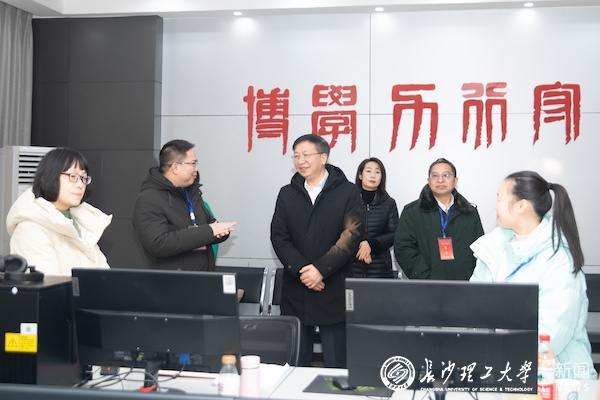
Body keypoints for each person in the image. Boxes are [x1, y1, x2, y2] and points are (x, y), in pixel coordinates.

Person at [470, 171, 597, 379]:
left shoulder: (558, 260)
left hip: (555, 379)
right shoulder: (492, 251)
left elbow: (550, 335)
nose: (496, 206)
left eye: (500, 199)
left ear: (521, 206)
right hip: (501, 371)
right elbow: (472, 310)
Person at [270, 134, 363, 368]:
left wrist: (320, 270)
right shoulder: (286, 193)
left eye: (306, 155)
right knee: (294, 362)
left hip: (332, 283)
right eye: (296, 156)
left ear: (323, 157)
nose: (300, 161)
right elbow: (279, 236)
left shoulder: (347, 192)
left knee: (336, 364)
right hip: (297, 285)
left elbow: (351, 235)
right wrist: (303, 269)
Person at [132, 139, 236, 271]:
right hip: (174, 281)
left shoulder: (192, 194)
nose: (196, 169)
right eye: (193, 164)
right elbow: (158, 243)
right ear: (175, 167)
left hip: (203, 277)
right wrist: (208, 232)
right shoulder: (149, 199)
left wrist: (220, 231)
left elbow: (209, 224)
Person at [6, 147, 111, 275]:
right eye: (72, 176)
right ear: (46, 177)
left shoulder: (83, 224)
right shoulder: (30, 229)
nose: (80, 184)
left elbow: (106, 276)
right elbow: (47, 283)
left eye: (83, 178)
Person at [394, 157, 484, 280]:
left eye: (446, 175)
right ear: (429, 181)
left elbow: (480, 249)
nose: (440, 180)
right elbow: (403, 248)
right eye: (435, 176)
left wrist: (471, 277)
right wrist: (425, 278)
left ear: (455, 181)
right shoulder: (412, 212)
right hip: (426, 286)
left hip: (464, 284)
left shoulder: (469, 212)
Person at [352, 157, 399, 278]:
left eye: (377, 172)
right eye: (368, 171)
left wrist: (371, 245)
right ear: (360, 175)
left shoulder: (388, 203)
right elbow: (339, 230)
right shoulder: (349, 201)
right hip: (352, 267)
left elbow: (394, 233)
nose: (373, 175)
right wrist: (361, 246)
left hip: (380, 269)